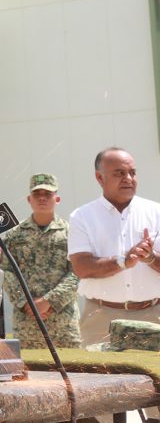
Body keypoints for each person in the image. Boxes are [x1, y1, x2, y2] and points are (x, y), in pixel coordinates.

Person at [69, 147, 160, 347]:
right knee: (100, 378)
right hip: (101, 319)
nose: (128, 178)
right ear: (99, 178)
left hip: (153, 315)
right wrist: (123, 262)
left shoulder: (156, 213)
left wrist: (150, 257)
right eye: (119, 173)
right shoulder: (82, 217)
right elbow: (81, 267)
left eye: (132, 173)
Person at [0, 174, 80, 348]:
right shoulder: (15, 234)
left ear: (57, 199)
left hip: (63, 325)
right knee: (30, 373)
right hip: (27, 324)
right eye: (37, 194)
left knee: (73, 373)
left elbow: (78, 271)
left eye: (47, 194)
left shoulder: (71, 233)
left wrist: (48, 302)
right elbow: (5, 270)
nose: (42, 198)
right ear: (29, 199)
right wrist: (26, 302)